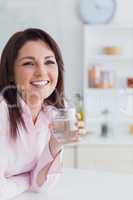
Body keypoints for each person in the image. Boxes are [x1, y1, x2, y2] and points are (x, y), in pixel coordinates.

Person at [0, 28, 79, 199]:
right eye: (29, 63)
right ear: (11, 73)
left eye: (49, 62)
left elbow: (42, 185)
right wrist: (27, 181)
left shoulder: (56, 113)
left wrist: (54, 145)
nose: (41, 72)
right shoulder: (2, 113)